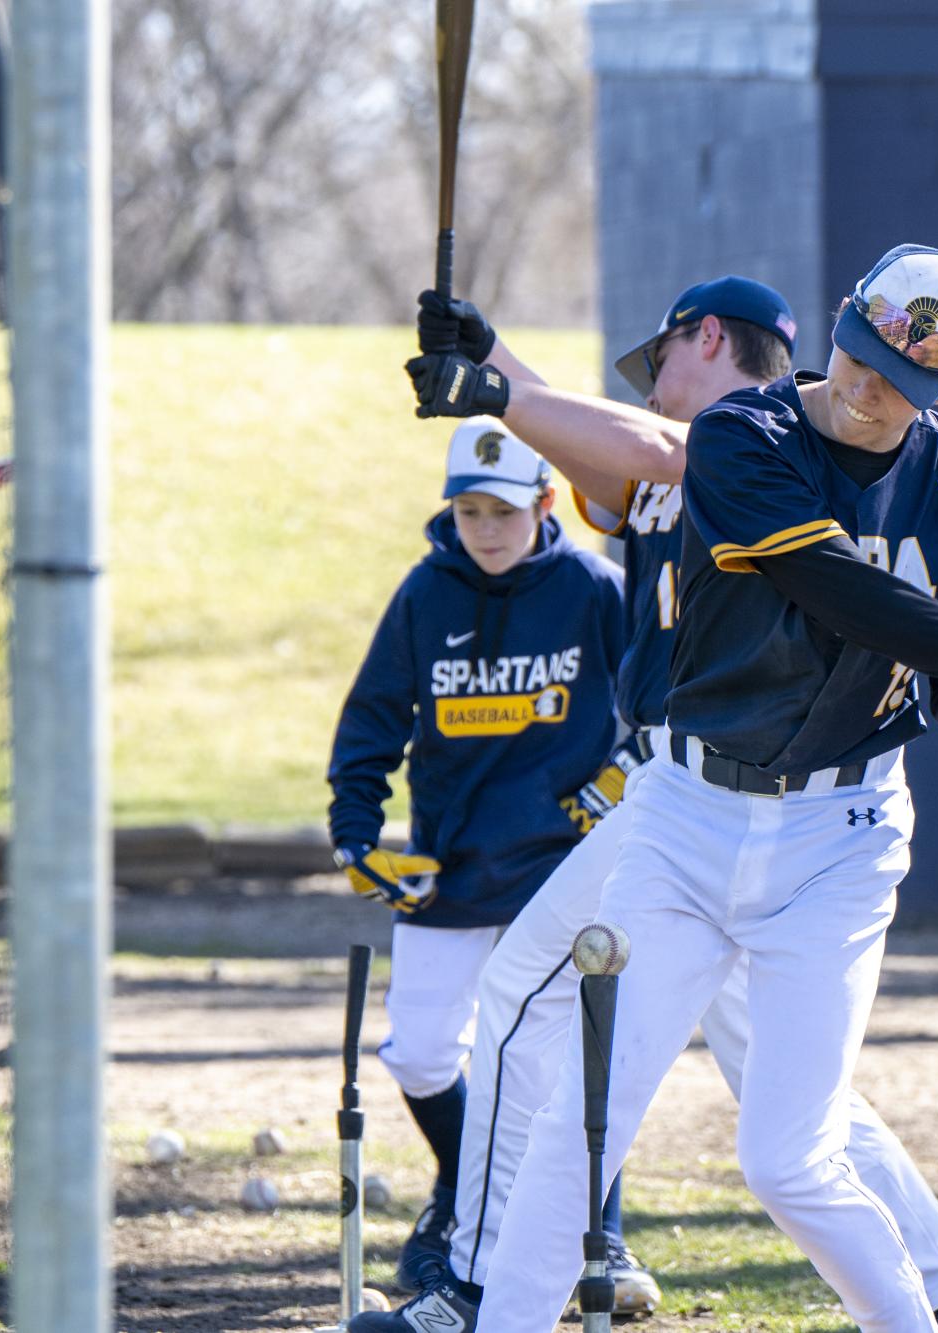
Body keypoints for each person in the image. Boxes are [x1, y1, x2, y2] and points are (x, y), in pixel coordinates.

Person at [367, 243, 938, 1333]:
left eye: (905, 382)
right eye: (864, 358)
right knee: (583, 1120)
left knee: (791, 1158)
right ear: (841, 327)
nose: (874, 392)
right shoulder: (748, 434)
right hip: (685, 819)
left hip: (843, 833)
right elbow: (842, 594)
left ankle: (936, 1312)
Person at [326, 418, 625, 1292]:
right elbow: (373, 721)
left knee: (560, 1065)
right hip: (450, 865)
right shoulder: (425, 593)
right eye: (467, 512)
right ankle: (464, 1184)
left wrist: (619, 780)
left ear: (542, 503)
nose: (485, 529)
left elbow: (658, 698)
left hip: (562, 870)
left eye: (502, 510)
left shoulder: (593, 588)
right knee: (419, 1054)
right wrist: (354, 836)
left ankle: (601, 1237)